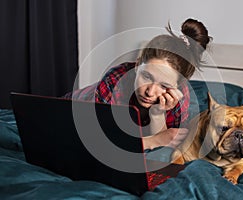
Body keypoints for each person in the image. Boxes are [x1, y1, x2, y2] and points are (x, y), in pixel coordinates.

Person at [64, 18, 211, 151]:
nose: (150, 92)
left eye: (164, 86)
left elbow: (167, 143)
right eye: (146, 76)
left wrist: (157, 114)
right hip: (69, 112)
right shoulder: (116, 79)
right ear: (138, 64)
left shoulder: (179, 97)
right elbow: (100, 140)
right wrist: (151, 141)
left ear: (178, 86)